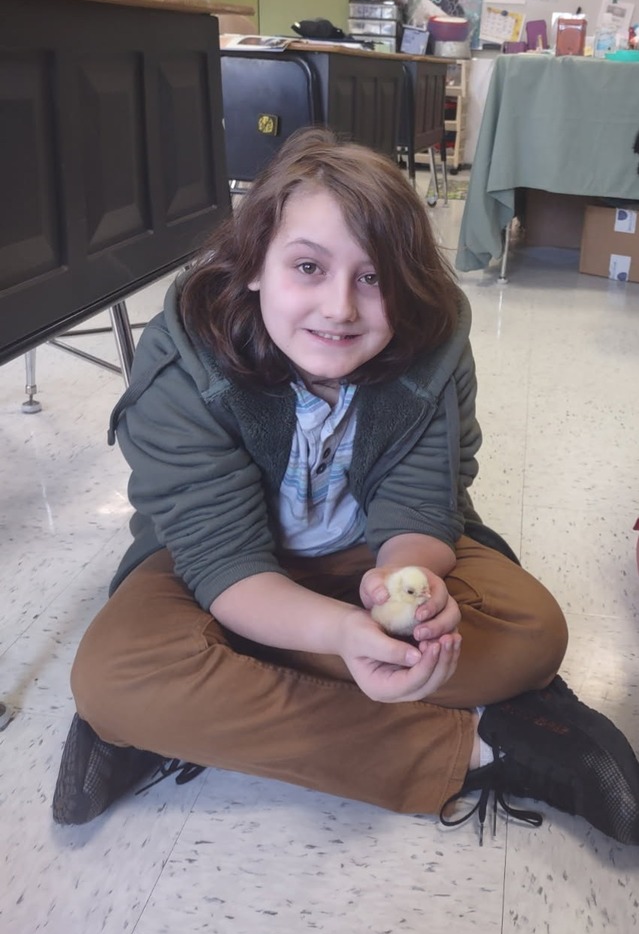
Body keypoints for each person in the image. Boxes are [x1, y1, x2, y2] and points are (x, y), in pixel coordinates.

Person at [53, 127, 639, 846]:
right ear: (254, 265)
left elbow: (424, 500)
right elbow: (222, 561)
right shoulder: (184, 360)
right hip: (220, 571)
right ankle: (493, 746)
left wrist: (406, 583)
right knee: (112, 679)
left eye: (373, 277)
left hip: (366, 556)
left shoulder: (433, 339)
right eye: (307, 267)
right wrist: (341, 634)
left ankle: (192, 710)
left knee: (532, 633)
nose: (340, 308)